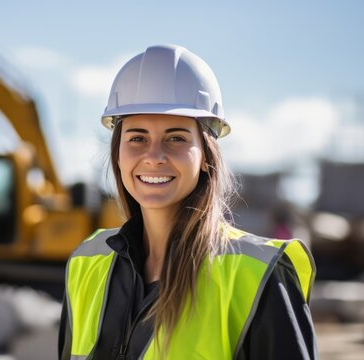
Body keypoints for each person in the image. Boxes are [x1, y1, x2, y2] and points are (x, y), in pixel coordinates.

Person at [59, 45, 317, 359]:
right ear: (117, 153)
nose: (154, 157)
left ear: (207, 156)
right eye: (137, 138)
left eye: (176, 138)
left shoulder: (258, 275)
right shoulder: (87, 264)